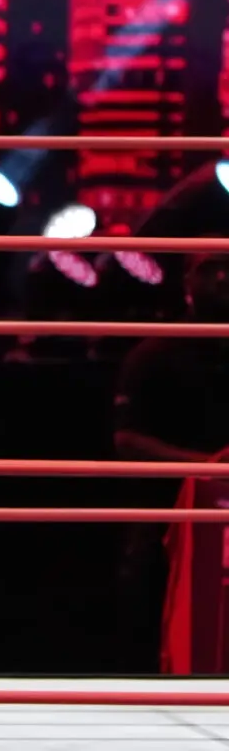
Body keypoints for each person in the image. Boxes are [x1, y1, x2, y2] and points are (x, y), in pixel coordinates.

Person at [113, 246, 229, 671]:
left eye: (228, 268)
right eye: (210, 269)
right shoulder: (156, 352)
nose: (222, 278)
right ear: (188, 282)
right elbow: (127, 441)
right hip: (165, 520)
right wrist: (205, 469)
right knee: (154, 630)